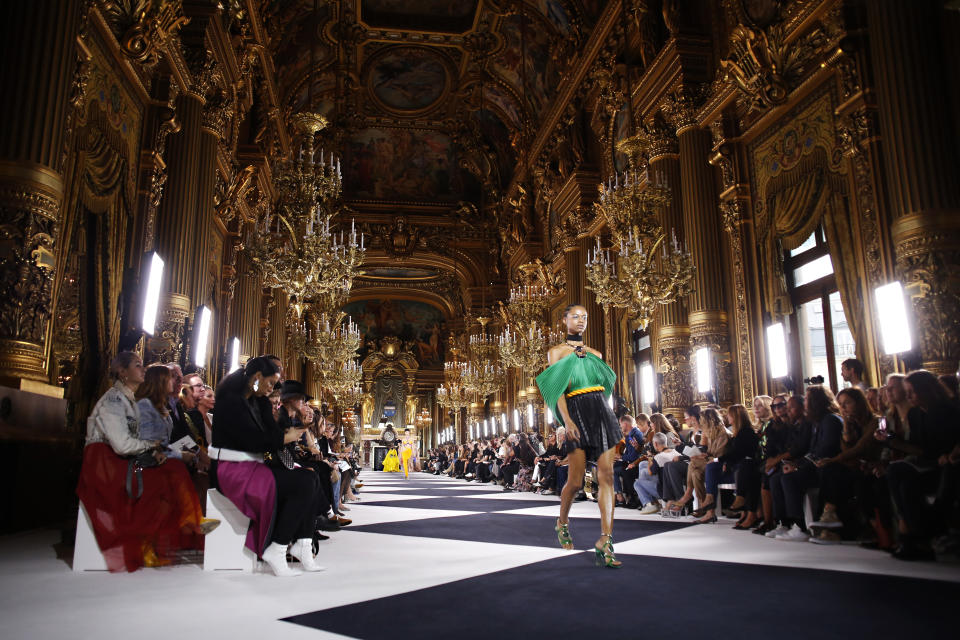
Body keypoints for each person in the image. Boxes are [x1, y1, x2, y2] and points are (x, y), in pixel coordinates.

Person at [75, 352, 218, 572]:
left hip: (124, 456)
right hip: (105, 460)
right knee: (171, 472)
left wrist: (164, 451)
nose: (143, 369)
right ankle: (180, 526)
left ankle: (184, 525)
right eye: (137, 365)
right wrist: (153, 449)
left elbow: (159, 440)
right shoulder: (115, 400)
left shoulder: (137, 401)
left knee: (173, 471)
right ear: (122, 372)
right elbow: (125, 444)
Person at [211, 356, 323, 576]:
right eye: (271, 383)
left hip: (253, 466)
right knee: (302, 484)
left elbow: (270, 436)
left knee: (311, 478)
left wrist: (291, 433)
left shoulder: (259, 401)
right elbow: (254, 441)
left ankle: (303, 543)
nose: (273, 390)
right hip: (231, 470)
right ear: (257, 377)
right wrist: (285, 438)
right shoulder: (230, 401)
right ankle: (278, 547)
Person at [536, 303, 623, 568]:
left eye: (584, 317)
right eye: (575, 316)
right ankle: (562, 521)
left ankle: (605, 540)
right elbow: (557, 390)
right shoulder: (557, 352)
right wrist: (567, 420)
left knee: (607, 476)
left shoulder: (595, 353)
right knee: (574, 482)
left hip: (600, 411)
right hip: (575, 410)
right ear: (565, 320)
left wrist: (605, 411)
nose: (581, 320)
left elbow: (606, 385)